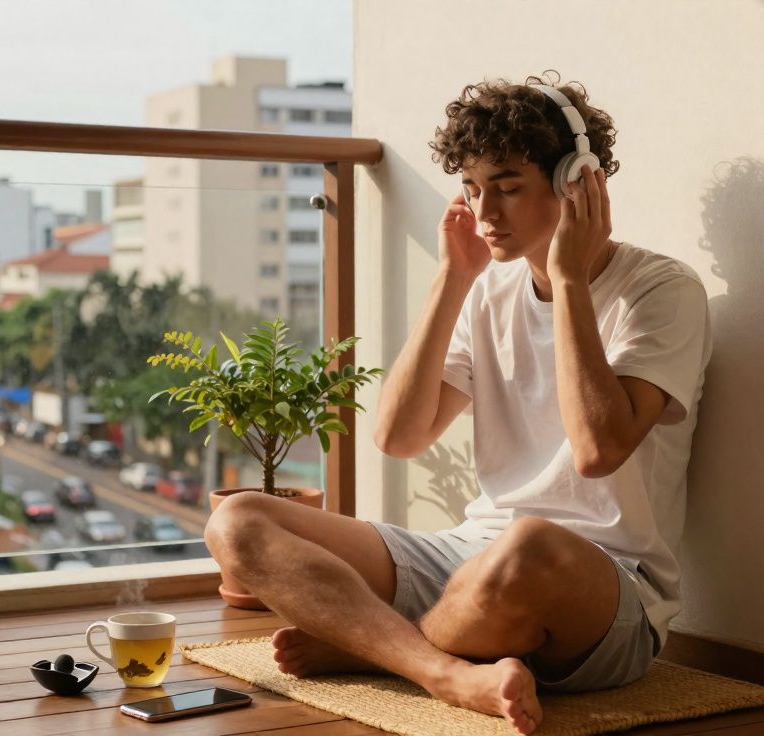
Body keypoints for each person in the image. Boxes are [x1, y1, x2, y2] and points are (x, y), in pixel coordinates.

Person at [205, 71, 712, 735]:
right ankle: (442, 669)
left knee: (531, 544)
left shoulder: (663, 291)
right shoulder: (489, 293)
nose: (485, 212)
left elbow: (596, 451)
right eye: (473, 189)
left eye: (506, 187)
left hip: (604, 587)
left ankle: (375, 645)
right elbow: (399, 435)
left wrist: (567, 280)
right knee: (237, 520)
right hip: (469, 559)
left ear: (577, 183)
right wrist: (453, 277)